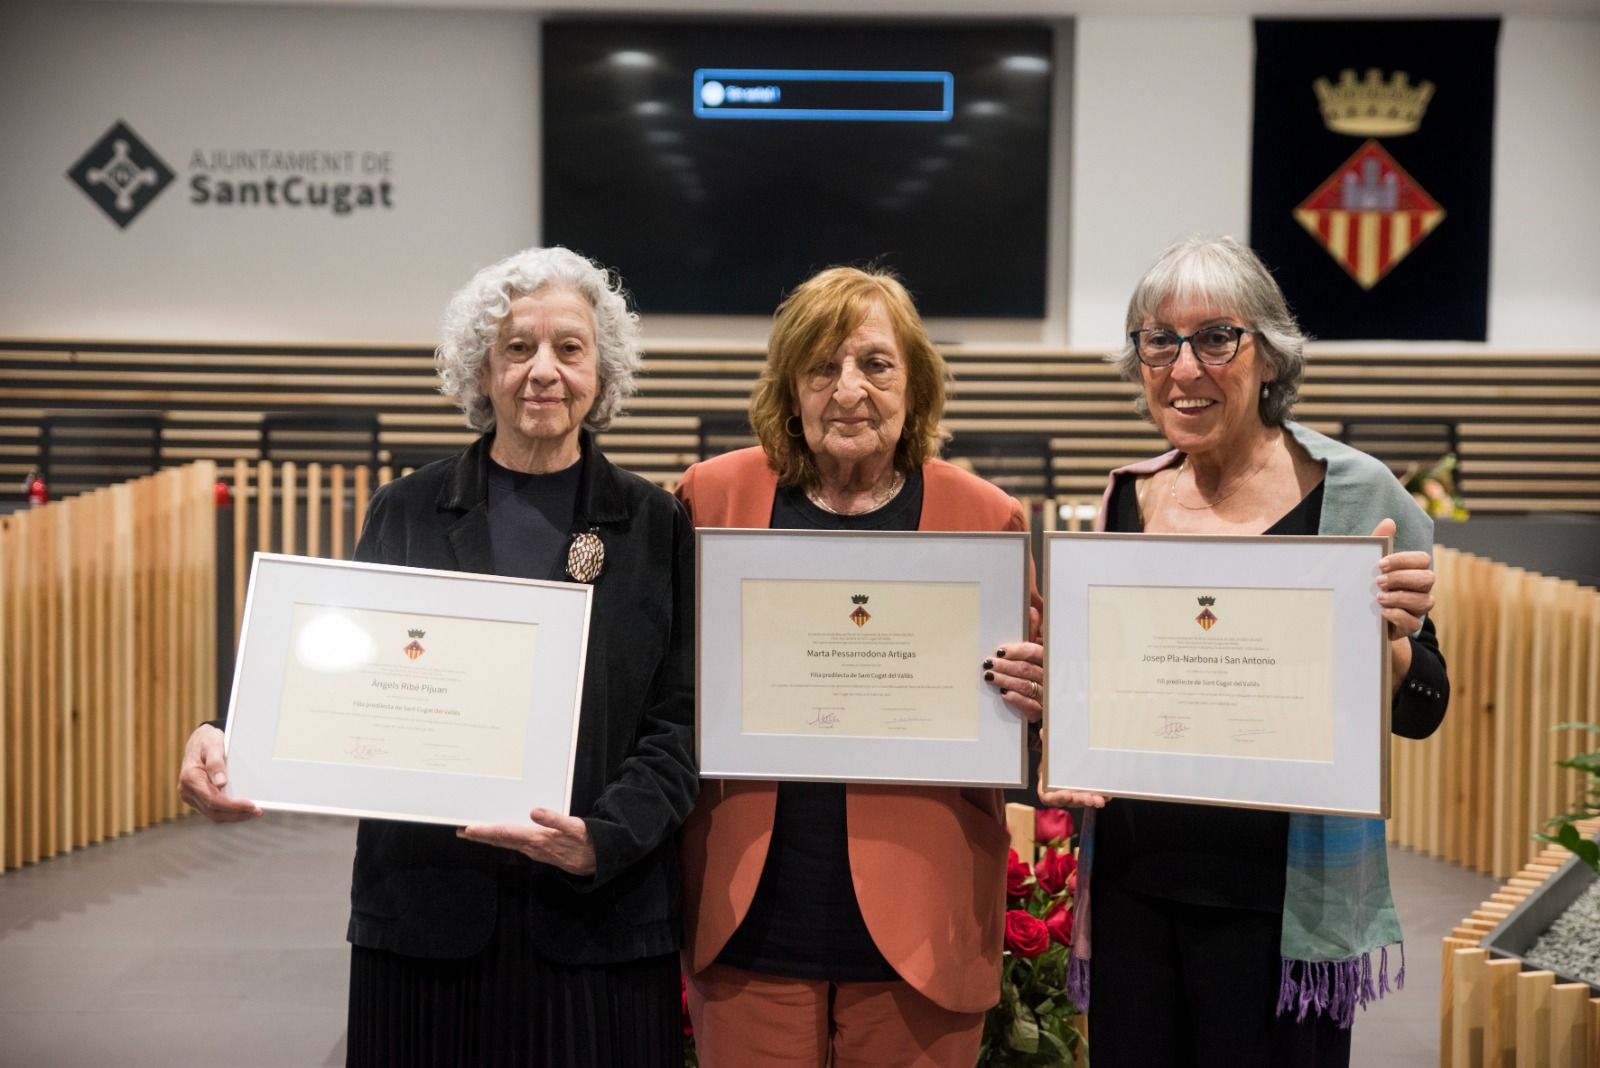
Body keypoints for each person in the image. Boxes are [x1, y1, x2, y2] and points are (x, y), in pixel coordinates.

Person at [178, 246, 698, 1067]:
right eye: (516, 348)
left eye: (570, 347)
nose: (543, 372)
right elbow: (333, 668)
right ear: (480, 370)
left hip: (598, 920)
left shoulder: (656, 523)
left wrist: (604, 837)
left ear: (603, 371)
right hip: (425, 911)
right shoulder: (408, 511)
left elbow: (680, 722)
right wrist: (227, 733)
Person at [1048, 235, 1449, 1067]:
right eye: (1159, 340)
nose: (1184, 368)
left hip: (1276, 901)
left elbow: (1424, 708)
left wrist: (1395, 647)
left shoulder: (1356, 496)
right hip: (1133, 883)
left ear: (1269, 356)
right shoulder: (1129, 494)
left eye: (1216, 338)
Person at [676, 265, 1045, 1068]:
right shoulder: (712, 498)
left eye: (876, 364)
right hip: (752, 917)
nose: (848, 389)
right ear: (789, 389)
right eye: (821, 366)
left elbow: (1033, 732)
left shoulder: (985, 518)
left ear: (914, 385)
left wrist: (1042, 699)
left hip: (924, 927)